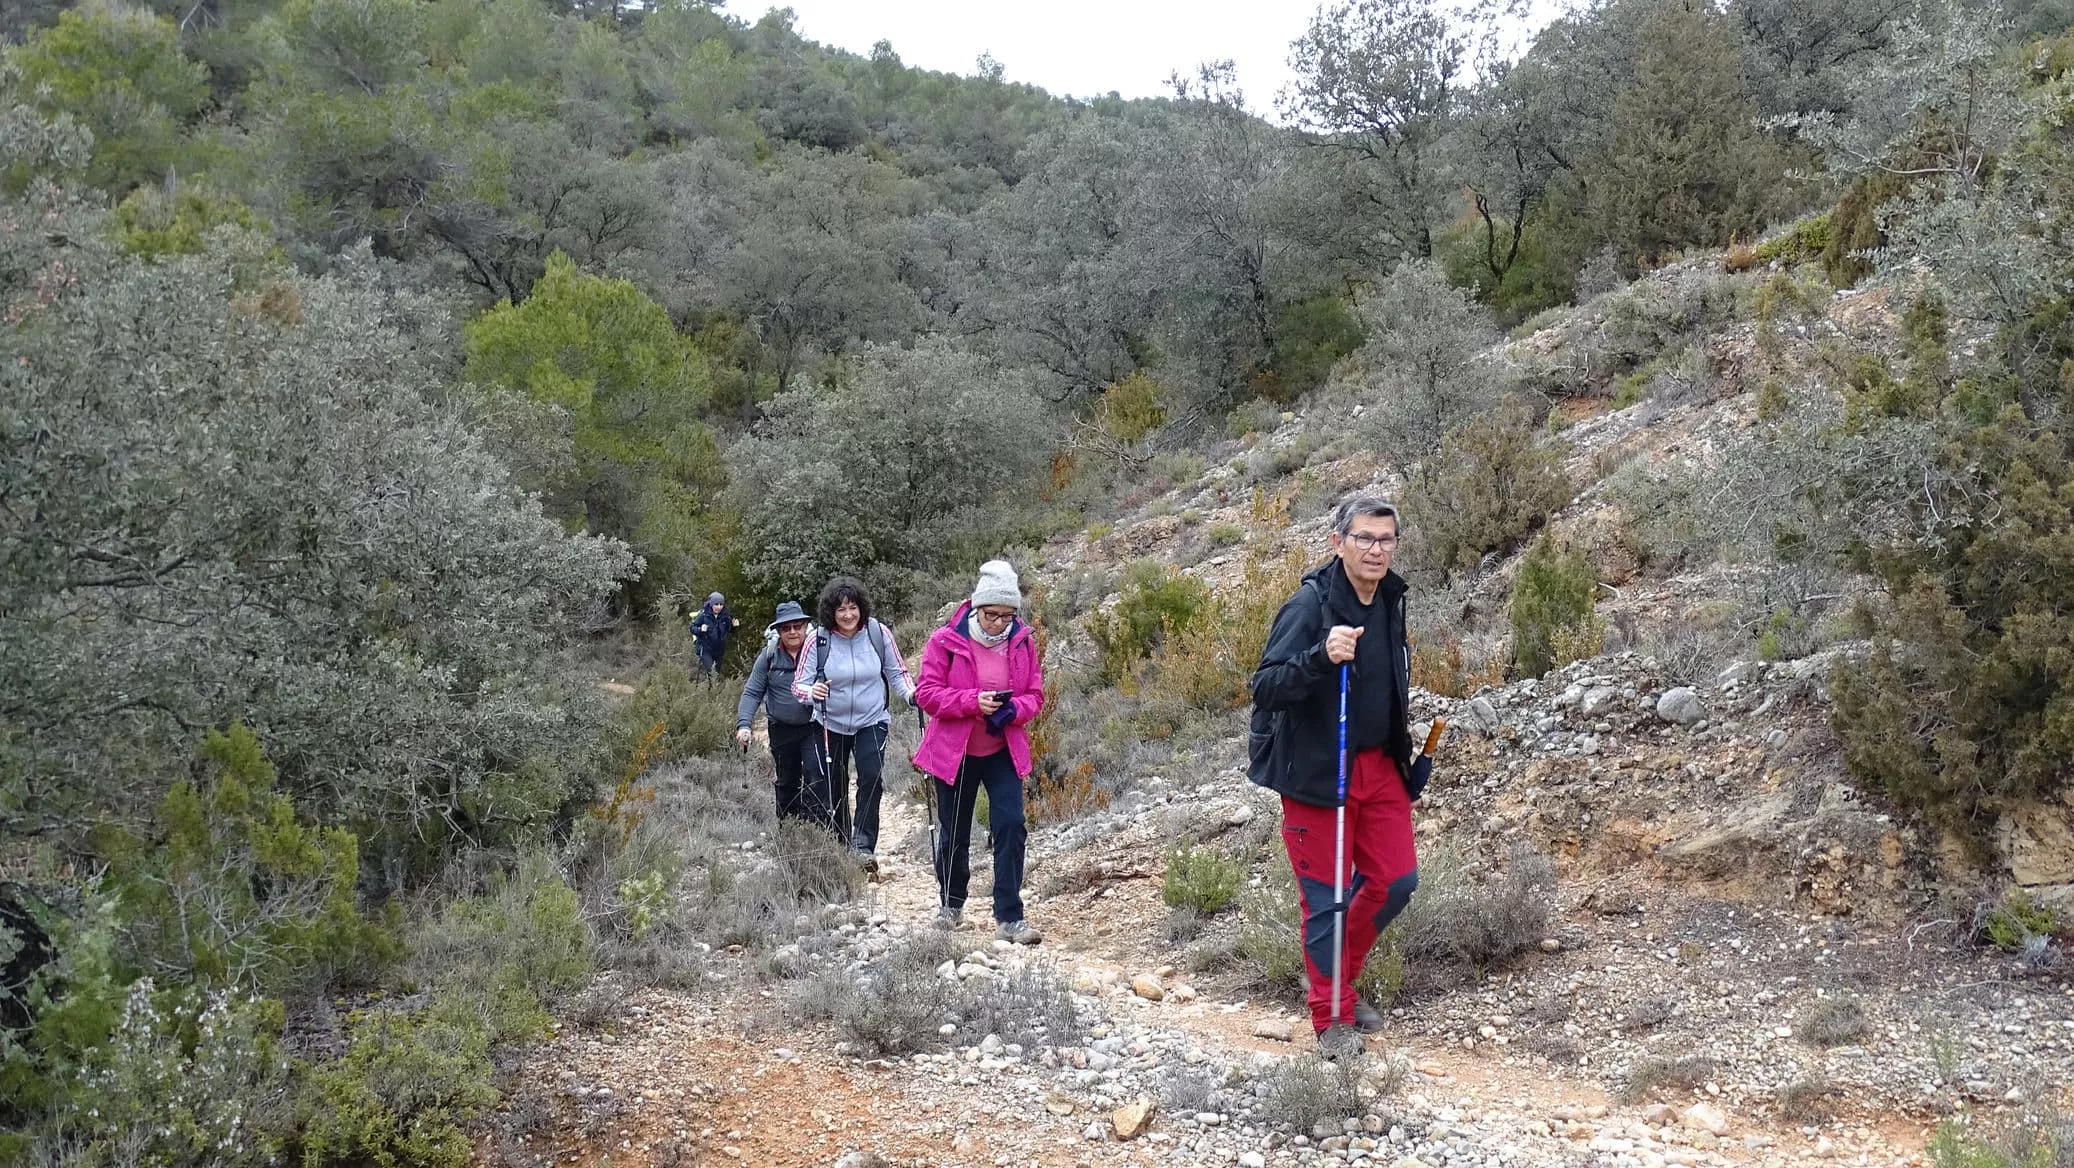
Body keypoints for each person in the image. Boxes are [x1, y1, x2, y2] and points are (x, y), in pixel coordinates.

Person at [1248, 494, 1426, 1058]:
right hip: (1320, 772)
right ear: (1338, 543)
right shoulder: (1310, 605)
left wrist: (1404, 759)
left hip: (1379, 766)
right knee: (1324, 899)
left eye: (1386, 539)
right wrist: (1321, 658)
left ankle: (1334, 975)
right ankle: (1332, 1020)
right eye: (1364, 539)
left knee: (1395, 882)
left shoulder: (1390, 599)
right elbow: (1266, 686)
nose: (1377, 550)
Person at [913, 560, 1045, 943]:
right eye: (992, 615)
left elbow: (1035, 696)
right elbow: (926, 694)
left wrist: (1013, 709)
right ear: (976, 607)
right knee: (954, 831)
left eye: (1007, 616)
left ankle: (1010, 917)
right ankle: (951, 905)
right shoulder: (945, 641)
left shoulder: (1022, 641)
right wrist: (973, 702)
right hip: (955, 752)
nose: (999, 624)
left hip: (1002, 746)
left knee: (1011, 824)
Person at [791, 576, 915, 860]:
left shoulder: (877, 633)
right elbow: (798, 686)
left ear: (862, 607)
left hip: (872, 719)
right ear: (831, 612)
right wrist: (813, 692)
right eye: (841, 610)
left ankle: (863, 845)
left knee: (871, 777)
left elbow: (897, 671)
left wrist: (911, 695)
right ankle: (840, 842)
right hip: (829, 722)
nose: (848, 615)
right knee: (834, 784)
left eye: (853, 607)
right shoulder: (817, 640)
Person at [735, 602, 831, 826]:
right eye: (787, 628)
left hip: (813, 727)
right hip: (781, 729)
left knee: (815, 776)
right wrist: (744, 724)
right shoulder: (769, 656)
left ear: (806, 626)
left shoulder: (819, 652)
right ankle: (788, 829)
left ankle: (816, 830)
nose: (793, 632)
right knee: (787, 781)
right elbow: (752, 692)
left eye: (798, 626)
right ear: (778, 631)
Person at [691, 592, 740, 676]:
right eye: (716, 604)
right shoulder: (704, 614)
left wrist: (735, 627)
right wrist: (700, 629)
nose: (719, 607)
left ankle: (711, 689)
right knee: (712, 673)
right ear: (711, 604)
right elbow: (692, 628)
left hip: (719, 650)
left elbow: (730, 631)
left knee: (716, 675)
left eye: (721, 604)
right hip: (705, 648)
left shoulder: (726, 616)